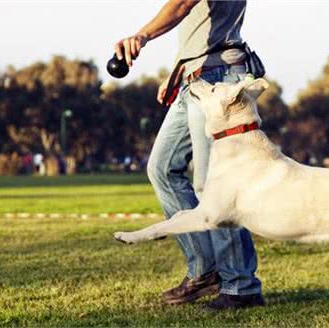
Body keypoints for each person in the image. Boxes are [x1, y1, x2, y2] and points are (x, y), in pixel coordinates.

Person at [113, 0, 263, 310]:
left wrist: (141, 36)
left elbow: (181, 4)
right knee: (162, 169)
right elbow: (201, 25)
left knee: (213, 187)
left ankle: (240, 285)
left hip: (218, 79)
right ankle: (205, 271)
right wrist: (180, 69)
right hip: (196, 75)